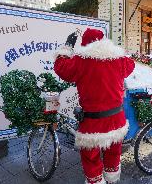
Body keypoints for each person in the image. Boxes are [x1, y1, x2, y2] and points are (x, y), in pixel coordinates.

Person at [54, 28, 135, 184]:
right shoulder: (118, 59)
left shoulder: (80, 60)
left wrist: (67, 48)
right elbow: (130, 64)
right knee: (113, 151)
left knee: (90, 156)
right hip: (116, 118)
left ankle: (96, 181)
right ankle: (112, 179)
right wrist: (119, 52)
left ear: (85, 43)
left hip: (93, 121)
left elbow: (61, 67)